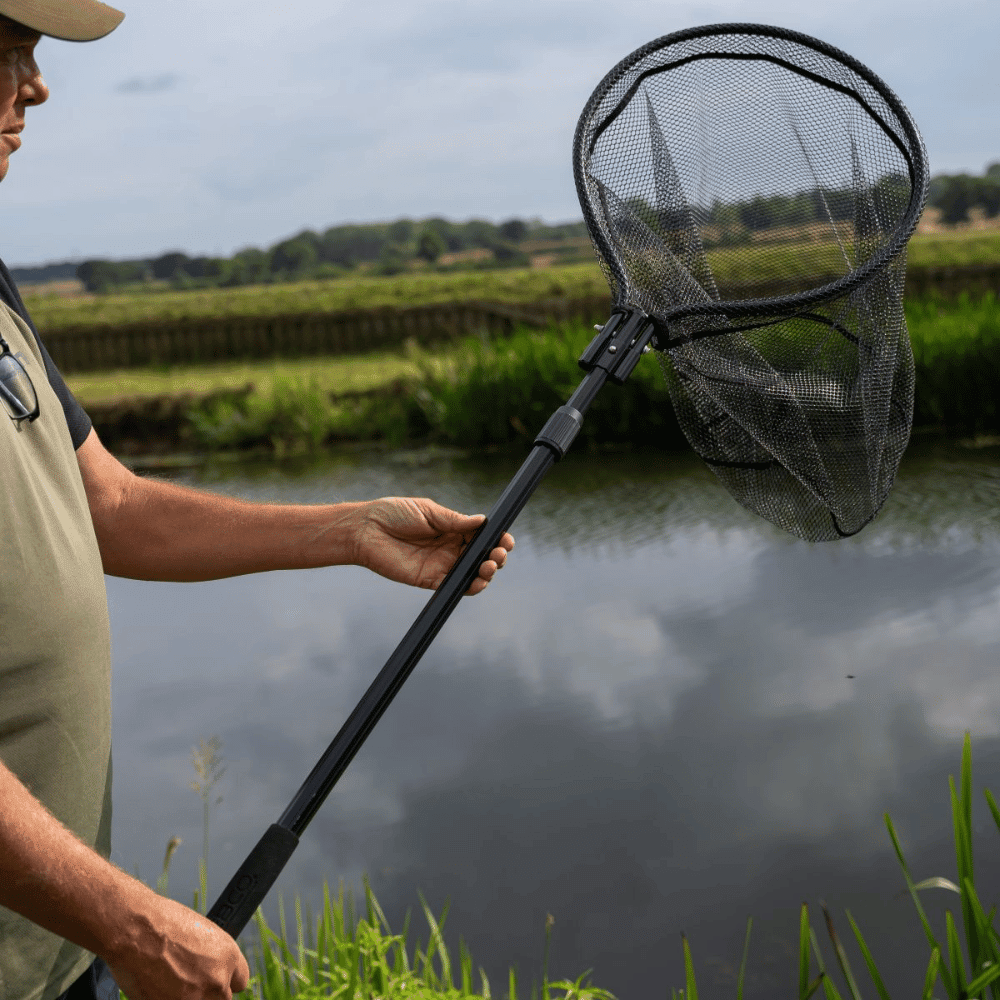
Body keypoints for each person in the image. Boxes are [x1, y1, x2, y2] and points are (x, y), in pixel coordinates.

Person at [0, 4, 515, 1000]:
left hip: (49, 953)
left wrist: (349, 530)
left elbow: (107, 501)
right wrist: (130, 920)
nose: (38, 85)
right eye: (10, 51)